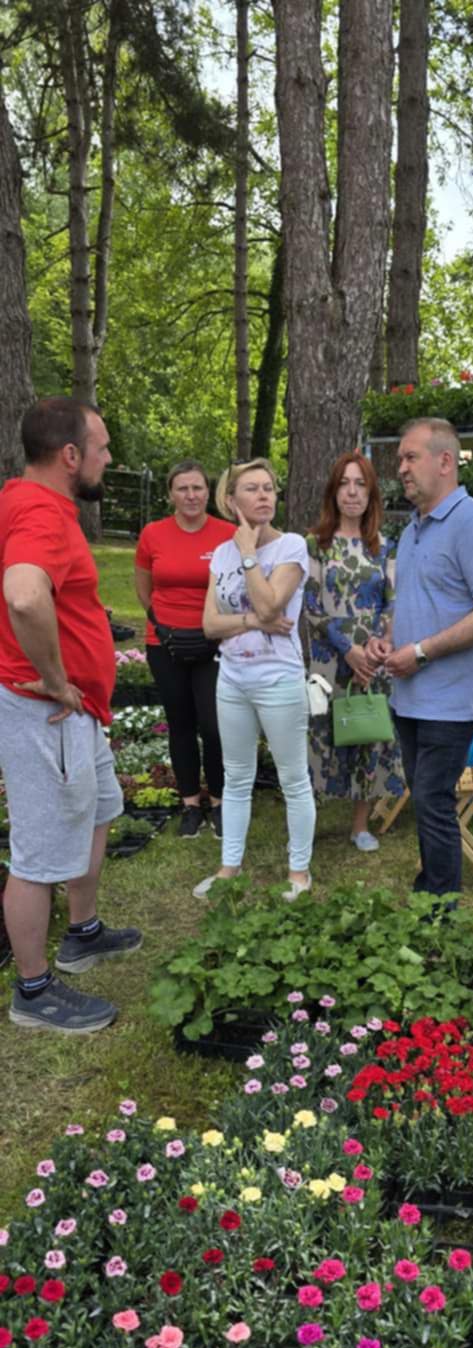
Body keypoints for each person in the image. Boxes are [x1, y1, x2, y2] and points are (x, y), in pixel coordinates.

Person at [0, 396, 142, 1034]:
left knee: (101, 809)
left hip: (74, 714)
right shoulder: (41, 513)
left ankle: (82, 932)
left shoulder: (25, 501)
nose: (109, 458)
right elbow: (24, 596)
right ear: (69, 455)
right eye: (102, 448)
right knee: (37, 853)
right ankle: (33, 991)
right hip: (46, 713)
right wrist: (57, 679)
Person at [366, 417, 473, 896]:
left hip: (451, 698)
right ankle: (429, 895)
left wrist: (422, 652)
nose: (401, 468)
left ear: (445, 461)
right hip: (410, 692)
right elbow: (417, 602)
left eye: (411, 457)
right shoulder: (413, 529)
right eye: (400, 459)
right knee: (427, 802)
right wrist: (388, 638)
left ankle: (438, 910)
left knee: (432, 800)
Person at [195, 458, 315, 900]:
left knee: (293, 779)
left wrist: (249, 553)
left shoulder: (291, 547)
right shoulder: (220, 554)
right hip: (232, 678)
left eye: (269, 487)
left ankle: (299, 872)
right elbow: (210, 624)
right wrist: (251, 621)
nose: (264, 495)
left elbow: (270, 606)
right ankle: (229, 868)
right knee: (236, 777)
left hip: (278, 679)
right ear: (231, 501)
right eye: (252, 488)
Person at [304, 450, 405, 850]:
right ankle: (307, 824)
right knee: (319, 736)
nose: (352, 492)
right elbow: (311, 606)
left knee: (369, 734)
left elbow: (391, 603)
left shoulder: (384, 547)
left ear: (371, 493)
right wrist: (348, 649)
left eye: (360, 484)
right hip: (330, 658)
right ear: (334, 492)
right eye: (344, 484)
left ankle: (360, 826)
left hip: (373, 660)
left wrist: (379, 645)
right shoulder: (316, 544)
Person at [134, 460, 234, 838]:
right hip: (165, 642)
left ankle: (220, 801)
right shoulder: (153, 534)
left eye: (197, 488)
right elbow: (143, 586)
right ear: (170, 494)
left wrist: (218, 629)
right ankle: (190, 803)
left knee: (213, 725)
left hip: (214, 642)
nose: (191, 495)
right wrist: (160, 622)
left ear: (208, 492)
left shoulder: (228, 534)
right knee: (180, 723)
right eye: (182, 488)